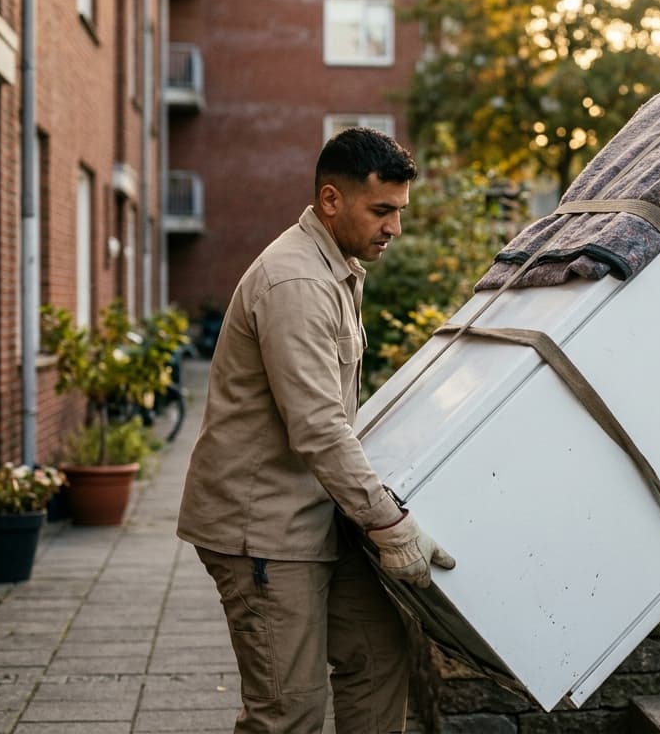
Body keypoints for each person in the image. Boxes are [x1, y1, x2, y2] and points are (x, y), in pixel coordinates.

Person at [177, 127, 456, 733]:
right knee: (289, 710)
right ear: (331, 199)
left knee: (377, 659)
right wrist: (390, 524)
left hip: (323, 514)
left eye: (400, 212)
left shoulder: (336, 268)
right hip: (264, 530)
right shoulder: (296, 283)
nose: (394, 228)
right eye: (381, 211)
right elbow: (319, 428)